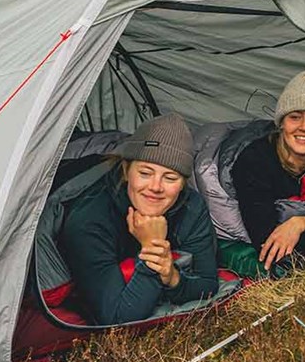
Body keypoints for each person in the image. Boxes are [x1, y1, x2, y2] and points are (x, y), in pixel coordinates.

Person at [57, 113, 219, 325]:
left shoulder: (192, 206)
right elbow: (116, 316)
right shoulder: (89, 221)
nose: (155, 187)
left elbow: (208, 284)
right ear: (126, 171)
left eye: (170, 178)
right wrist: (153, 247)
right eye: (145, 173)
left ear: (183, 184)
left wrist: (172, 277)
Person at [227, 70, 305, 276]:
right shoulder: (255, 160)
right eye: (295, 117)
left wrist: (301, 222)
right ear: (282, 123)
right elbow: (264, 237)